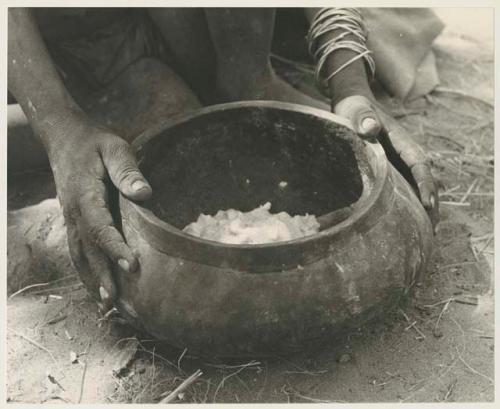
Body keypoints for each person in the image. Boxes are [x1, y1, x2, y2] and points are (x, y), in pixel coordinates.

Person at [8, 7, 438, 312]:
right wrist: (58, 128)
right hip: (49, 37)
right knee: (164, 130)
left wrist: (349, 84)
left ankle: (245, 77)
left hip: (168, 27)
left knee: (185, 118)